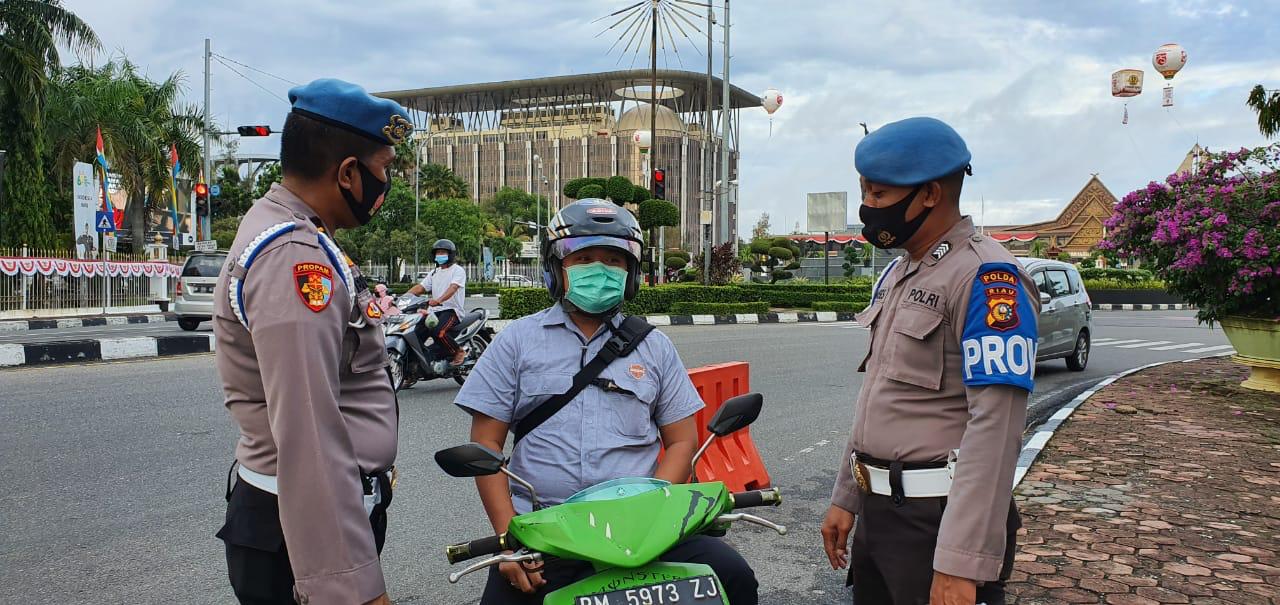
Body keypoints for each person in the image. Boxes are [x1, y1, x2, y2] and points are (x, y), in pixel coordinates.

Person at [453, 198, 759, 604]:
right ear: (556, 268)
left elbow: (683, 442)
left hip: (644, 528)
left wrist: (654, 517)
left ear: (631, 274)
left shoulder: (655, 347)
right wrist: (510, 541)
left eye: (614, 261)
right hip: (547, 532)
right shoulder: (515, 342)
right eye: (585, 257)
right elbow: (485, 446)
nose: (600, 269)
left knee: (733, 578)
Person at [819, 117, 1039, 605]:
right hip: (882, 513)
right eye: (865, 193)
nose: (868, 208)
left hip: (937, 520)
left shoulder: (986, 277)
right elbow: (879, 396)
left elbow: (996, 427)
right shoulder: (902, 272)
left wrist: (961, 561)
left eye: (878, 195)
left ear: (931, 195)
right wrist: (847, 497)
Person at [212, 78, 413, 605]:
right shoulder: (294, 257)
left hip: (300, 523)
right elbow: (309, 433)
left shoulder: (294, 231)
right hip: (297, 532)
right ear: (348, 173)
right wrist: (351, 588)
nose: (386, 183)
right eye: (384, 170)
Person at [405, 239, 467, 366]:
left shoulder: (458, 270)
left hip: (451, 311)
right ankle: (415, 366)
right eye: (438, 252)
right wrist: (403, 298)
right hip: (433, 312)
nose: (440, 255)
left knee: (439, 332)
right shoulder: (434, 272)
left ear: (450, 254)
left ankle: (458, 351)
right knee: (414, 333)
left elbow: (453, 287)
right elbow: (420, 288)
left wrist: (439, 300)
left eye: (443, 252)